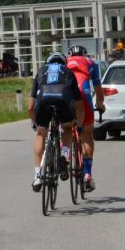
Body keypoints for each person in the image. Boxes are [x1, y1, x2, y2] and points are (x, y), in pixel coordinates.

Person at [29, 52, 85, 192]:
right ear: (63, 63)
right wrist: (78, 124)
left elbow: (30, 106)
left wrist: (34, 122)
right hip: (62, 101)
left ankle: (37, 177)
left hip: (43, 102)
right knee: (67, 127)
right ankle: (64, 154)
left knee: (41, 133)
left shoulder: (41, 72)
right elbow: (79, 103)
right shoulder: (68, 71)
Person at [66, 44, 105, 192]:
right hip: (84, 98)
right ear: (85, 54)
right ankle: (87, 173)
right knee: (87, 133)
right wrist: (100, 104)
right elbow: (98, 89)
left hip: (67, 98)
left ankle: (64, 155)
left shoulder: (64, 62)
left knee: (66, 127)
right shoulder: (91, 63)